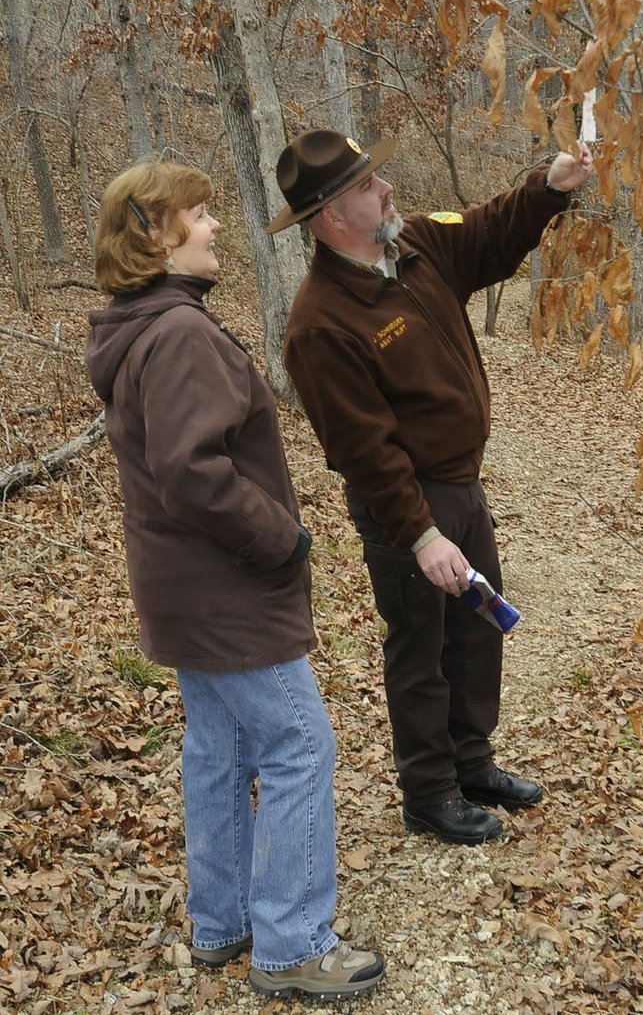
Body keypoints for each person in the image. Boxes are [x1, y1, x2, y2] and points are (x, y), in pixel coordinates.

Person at [85, 160, 384, 1002]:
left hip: (182, 591)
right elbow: (192, 476)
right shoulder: (177, 333)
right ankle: (291, 946)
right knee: (299, 744)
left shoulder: (143, 325)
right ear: (155, 234)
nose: (215, 226)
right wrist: (283, 540)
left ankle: (223, 925)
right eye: (200, 214)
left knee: (217, 750)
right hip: (224, 592)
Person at [268, 129, 593, 847]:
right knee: (421, 646)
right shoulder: (319, 324)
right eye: (366, 186)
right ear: (330, 217)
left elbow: (485, 233)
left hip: (463, 486)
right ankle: (429, 791)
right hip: (408, 503)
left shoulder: (414, 243)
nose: (386, 189)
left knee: (478, 633)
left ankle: (472, 764)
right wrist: (420, 535)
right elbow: (366, 452)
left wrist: (551, 187)